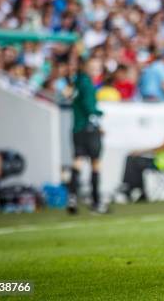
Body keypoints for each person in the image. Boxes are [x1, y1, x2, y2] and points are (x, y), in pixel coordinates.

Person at [119, 106, 164, 202]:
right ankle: (135, 189)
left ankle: (130, 188)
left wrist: (141, 151)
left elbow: (163, 147)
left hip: (163, 163)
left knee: (133, 159)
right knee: (136, 161)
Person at [67, 58, 107, 214]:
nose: (97, 71)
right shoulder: (87, 84)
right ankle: (96, 202)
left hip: (77, 128)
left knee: (77, 161)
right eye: (94, 68)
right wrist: (99, 115)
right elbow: (90, 107)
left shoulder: (77, 81)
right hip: (89, 129)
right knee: (95, 163)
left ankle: (72, 198)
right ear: (87, 68)